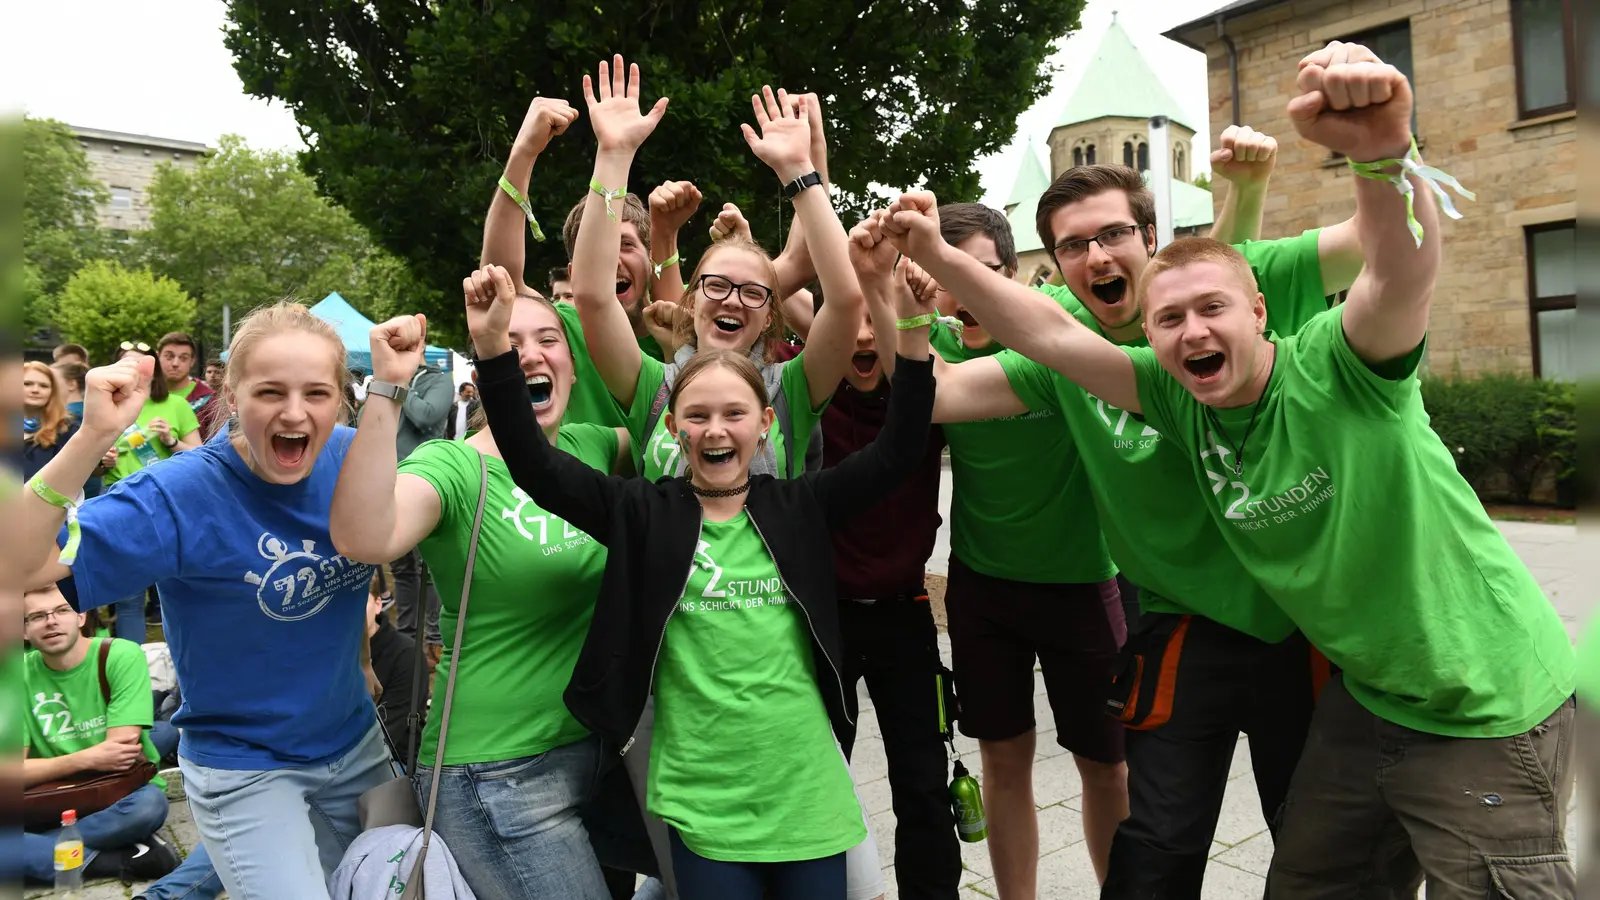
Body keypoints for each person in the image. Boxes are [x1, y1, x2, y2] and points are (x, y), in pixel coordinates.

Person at [894, 41, 1575, 898]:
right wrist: (936, 259)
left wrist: (1381, 151)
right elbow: (1048, 336)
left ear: (1260, 305)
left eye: (1212, 308)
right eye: (1169, 319)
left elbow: (1399, 267)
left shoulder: (1342, 366)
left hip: (1482, 700)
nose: (1190, 332)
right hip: (1370, 697)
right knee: (1303, 877)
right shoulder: (1168, 389)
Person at [915, 146, 1364, 896]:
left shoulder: (1236, 285)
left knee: (1312, 837)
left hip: (1296, 618)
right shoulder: (1060, 337)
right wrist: (892, 282)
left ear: (1151, 239)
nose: (1097, 255)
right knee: (1154, 847)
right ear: (1054, 265)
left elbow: (1382, 238)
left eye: (1114, 234)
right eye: (1073, 245)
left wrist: (1378, 148)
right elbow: (952, 385)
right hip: (1177, 620)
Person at [467, 213, 935, 899]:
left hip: (806, 791)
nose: (715, 429)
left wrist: (915, 332)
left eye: (735, 414)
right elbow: (536, 466)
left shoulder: (798, 508)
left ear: (767, 422)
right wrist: (492, 353)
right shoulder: (643, 515)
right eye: (697, 415)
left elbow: (898, 449)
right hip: (702, 799)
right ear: (671, 425)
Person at [12, 302, 394, 899]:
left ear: (340, 399)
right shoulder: (177, 493)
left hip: (356, 745)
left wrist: (365, 663)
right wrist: (92, 436)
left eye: (316, 393)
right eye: (270, 392)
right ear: (230, 396)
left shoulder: (351, 457)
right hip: (245, 766)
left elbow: (360, 564)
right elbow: (20, 565)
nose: (295, 412)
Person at [332, 294, 667, 900]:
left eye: (548, 339)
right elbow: (364, 537)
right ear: (488, 367)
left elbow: (687, 420)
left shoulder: (595, 447)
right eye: (509, 344)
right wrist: (385, 389)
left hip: (600, 756)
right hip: (496, 776)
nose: (531, 355)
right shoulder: (454, 467)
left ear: (572, 359)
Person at [570, 61, 863, 485]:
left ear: (769, 316)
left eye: (752, 292)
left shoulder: (792, 391)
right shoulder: (652, 388)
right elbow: (593, 296)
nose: (731, 299)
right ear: (691, 301)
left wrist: (799, 171)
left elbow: (846, 299)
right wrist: (613, 156)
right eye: (718, 285)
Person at [817, 218, 960, 900]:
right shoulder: (806, 404)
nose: (866, 338)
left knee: (925, 788)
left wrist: (905, 299)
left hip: (905, 616)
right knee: (817, 778)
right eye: (853, 326)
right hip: (825, 622)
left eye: (880, 324)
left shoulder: (921, 403)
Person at [21, 582, 218, 894]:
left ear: (82, 616)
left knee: (148, 805)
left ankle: (27, 852)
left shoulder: (118, 655)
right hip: (50, 798)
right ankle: (117, 862)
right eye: (37, 616)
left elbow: (119, 757)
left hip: (113, 797)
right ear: (23, 631)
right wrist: (86, 757)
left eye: (61, 611)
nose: (51, 621)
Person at [156, 332, 224, 440]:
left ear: (192, 361)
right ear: (157, 356)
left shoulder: (210, 402)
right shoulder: (142, 394)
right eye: (169, 357)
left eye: (183, 358)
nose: (175, 363)